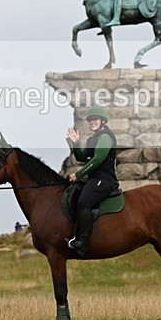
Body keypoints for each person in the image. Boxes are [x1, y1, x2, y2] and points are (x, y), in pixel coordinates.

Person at [65, 105, 119, 256]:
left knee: (83, 203)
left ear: (102, 120)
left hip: (104, 180)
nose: (92, 122)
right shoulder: (93, 139)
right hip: (94, 179)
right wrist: (76, 143)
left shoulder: (105, 137)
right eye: (90, 120)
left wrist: (79, 174)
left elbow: (98, 159)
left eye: (95, 119)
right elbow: (81, 157)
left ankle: (82, 242)